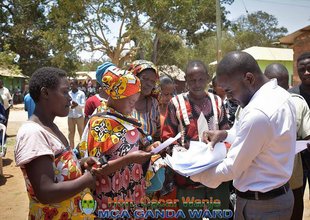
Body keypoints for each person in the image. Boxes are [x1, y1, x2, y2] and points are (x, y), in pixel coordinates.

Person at [190, 51, 297, 220]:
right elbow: (256, 137)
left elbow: (231, 167)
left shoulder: (259, 113)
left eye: (230, 91)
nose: (229, 98)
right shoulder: (280, 94)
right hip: (274, 198)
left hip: (261, 207)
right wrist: (225, 134)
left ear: (249, 78)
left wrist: (193, 173)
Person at [14, 67, 108, 219]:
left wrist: (82, 162)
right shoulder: (33, 134)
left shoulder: (50, 127)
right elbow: (46, 192)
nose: (70, 98)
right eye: (64, 92)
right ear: (45, 93)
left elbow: (57, 166)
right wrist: (88, 178)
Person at [77, 62, 158, 217]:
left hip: (132, 190)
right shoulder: (101, 123)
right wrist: (129, 160)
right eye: (131, 102)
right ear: (115, 96)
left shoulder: (125, 118)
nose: (133, 107)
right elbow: (96, 168)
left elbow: (132, 147)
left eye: (135, 102)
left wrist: (150, 148)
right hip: (111, 194)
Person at [162, 60, 231, 220]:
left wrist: (221, 149)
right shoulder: (175, 103)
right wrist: (183, 153)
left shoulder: (217, 101)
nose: (197, 84)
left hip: (216, 175)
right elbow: (168, 137)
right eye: (192, 80)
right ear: (186, 79)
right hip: (188, 180)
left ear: (207, 78)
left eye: (201, 79)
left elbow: (227, 132)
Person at [264, 63, 310, 220]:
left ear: (287, 82)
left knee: (294, 214)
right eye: (272, 84)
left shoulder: (298, 103)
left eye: (281, 84)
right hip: (263, 179)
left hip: (292, 178)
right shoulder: (250, 105)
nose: (277, 89)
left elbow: (308, 134)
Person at [289, 52, 310, 200]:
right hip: (299, 161)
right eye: (302, 69)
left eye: (309, 68)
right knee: (296, 201)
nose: (306, 72)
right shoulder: (291, 96)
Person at [128, 60, 161, 148]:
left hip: (149, 158)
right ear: (133, 77)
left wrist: (156, 145)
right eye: (145, 79)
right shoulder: (121, 103)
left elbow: (158, 134)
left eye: (153, 81)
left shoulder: (154, 104)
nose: (149, 84)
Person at [68, 79, 86, 148]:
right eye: (71, 84)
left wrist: (76, 105)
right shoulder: (68, 94)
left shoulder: (81, 93)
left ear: (77, 85)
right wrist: (71, 107)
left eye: (73, 84)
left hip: (79, 117)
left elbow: (83, 105)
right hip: (70, 116)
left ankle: (82, 149)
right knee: (71, 134)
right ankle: (72, 149)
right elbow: (66, 105)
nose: (71, 85)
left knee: (81, 133)